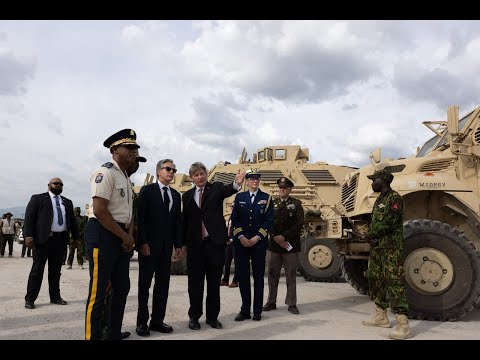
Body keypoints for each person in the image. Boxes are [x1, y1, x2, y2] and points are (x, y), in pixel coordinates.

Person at [84, 129, 138, 341]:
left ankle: (112, 332)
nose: (134, 152)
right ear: (115, 150)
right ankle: (92, 337)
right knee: (98, 293)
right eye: (130, 147)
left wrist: (129, 236)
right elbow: (100, 211)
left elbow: (129, 214)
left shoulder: (125, 177)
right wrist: (125, 237)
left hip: (121, 236)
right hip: (103, 234)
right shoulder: (105, 172)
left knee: (122, 288)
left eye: (135, 148)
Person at [182, 162, 245, 330]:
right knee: (194, 285)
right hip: (195, 247)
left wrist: (237, 183)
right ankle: (194, 317)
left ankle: (212, 317)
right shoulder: (187, 196)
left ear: (206, 173)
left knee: (213, 284)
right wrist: (182, 244)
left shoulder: (216, 188)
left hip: (214, 245)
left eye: (202, 173)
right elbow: (185, 222)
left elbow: (228, 190)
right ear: (191, 178)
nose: (200, 177)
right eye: (196, 175)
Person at [135, 158, 184, 337]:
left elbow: (177, 222)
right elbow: (140, 219)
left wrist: (178, 245)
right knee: (144, 285)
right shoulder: (147, 191)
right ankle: (141, 323)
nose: (172, 172)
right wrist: (142, 242)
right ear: (158, 171)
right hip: (148, 247)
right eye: (168, 169)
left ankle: (157, 321)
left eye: (174, 169)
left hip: (166, 248)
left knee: (163, 285)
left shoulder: (176, 195)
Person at [362, 169, 412, 340]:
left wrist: (370, 234)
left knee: (394, 282)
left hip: (391, 248)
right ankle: (381, 316)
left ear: (382, 180)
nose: (371, 183)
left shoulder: (394, 198)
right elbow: (376, 223)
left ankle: (403, 324)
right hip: (378, 247)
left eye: (373, 180)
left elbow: (389, 222)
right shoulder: (380, 199)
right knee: (376, 280)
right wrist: (372, 238)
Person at [23, 178, 80, 309]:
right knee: (37, 270)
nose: (58, 186)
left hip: (60, 241)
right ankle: (30, 299)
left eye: (61, 184)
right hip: (42, 241)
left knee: (55, 271)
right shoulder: (38, 199)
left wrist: (76, 237)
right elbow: (29, 218)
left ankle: (55, 297)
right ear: (49, 185)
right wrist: (28, 235)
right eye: (56, 183)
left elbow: (72, 221)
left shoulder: (67, 202)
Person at [231, 169, 274, 321]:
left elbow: (268, 221)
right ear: (247, 181)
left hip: (258, 244)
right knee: (242, 277)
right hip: (241, 244)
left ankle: (257, 311)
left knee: (258, 278)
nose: (255, 181)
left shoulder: (266, 198)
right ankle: (244, 310)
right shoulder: (239, 197)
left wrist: (257, 237)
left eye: (257, 178)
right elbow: (234, 219)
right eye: (252, 178)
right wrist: (241, 236)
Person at [262, 177, 304, 315]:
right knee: (272, 275)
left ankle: (292, 303)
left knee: (291, 275)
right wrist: (276, 237)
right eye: (280, 188)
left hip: (290, 245)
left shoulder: (297, 204)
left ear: (290, 189)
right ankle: (271, 302)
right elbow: (267, 222)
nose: (282, 190)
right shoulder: (272, 203)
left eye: (285, 188)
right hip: (274, 246)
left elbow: (298, 225)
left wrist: (284, 237)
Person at [220, 219, 238, 288]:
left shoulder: (238, 216)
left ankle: (235, 281)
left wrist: (232, 239)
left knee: (237, 263)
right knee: (227, 262)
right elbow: (229, 229)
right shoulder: (231, 217)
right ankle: (225, 280)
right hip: (228, 243)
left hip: (235, 243)